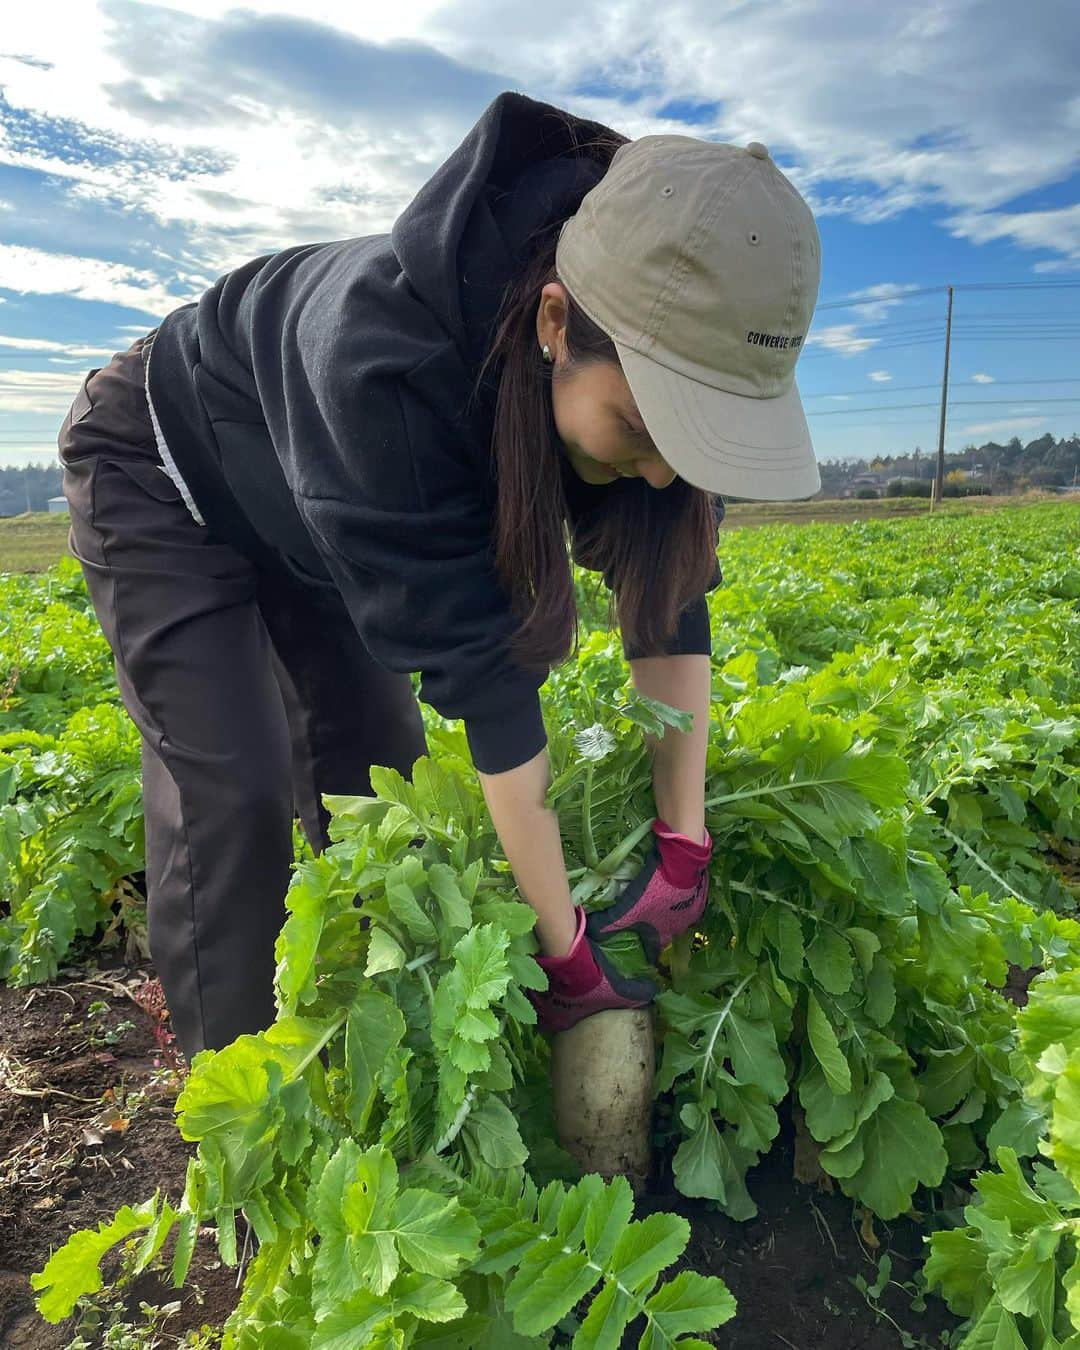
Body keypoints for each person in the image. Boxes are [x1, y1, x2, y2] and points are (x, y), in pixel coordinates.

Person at [56, 90, 821, 1061]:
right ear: (554, 323)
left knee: (379, 771)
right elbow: (496, 696)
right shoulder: (395, 370)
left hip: (306, 497)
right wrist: (567, 952)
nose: (665, 473)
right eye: (642, 428)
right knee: (236, 800)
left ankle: (363, 1043)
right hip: (160, 469)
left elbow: (668, 604)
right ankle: (243, 1115)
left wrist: (686, 838)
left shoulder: (648, 340)